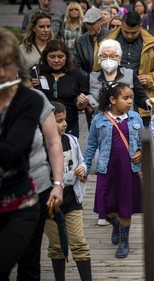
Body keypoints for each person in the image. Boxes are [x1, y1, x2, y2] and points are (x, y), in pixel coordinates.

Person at [0, 27, 43, 280]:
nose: (1, 73)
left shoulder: (29, 101)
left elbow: (11, 151)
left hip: (19, 204)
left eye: (6, 65)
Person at [84, 83, 144, 259]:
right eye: (125, 98)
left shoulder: (135, 118)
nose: (130, 101)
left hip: (128, 169)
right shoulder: (99, 120)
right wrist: (85, 168)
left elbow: (142, 143)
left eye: (131, 97)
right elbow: (91, 146)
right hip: (107, 169)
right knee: (107, 207)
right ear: (112, 99)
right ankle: (116, 225)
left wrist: (141, 152)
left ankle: (124, 242)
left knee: (125, 205)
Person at [16, 87, 65, 281]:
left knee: (28, 259)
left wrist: (58, 183)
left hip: (34, 188)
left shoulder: (34, 99)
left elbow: (53, 142)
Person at [44, 101, 92, 281]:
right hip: (50, 203)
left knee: (79, 242)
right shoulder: (41, 147)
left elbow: (81, 161)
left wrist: (82, 169)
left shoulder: (71, 140)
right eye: (59, 120)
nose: (64, 124)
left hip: (72, 198)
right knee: (56, 246)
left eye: (65, 120)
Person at [110, 11, 154, 130]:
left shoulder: (151, 43)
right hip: (114, 98)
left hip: (142, 99)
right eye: (126, 32)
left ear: (140, 27)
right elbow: (97, 67)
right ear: (121, 26)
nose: (129, 35)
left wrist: (150, 78)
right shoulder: (110, 41)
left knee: (142, 141)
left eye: (134, 33)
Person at [36, 39, 89, 138]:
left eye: (60, 57)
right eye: (52, 57)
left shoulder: (76, 75)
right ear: (45, 57)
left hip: (68, 126)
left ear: (66, 57)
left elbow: (80, 101)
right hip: (42, 125)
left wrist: (80, 104)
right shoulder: (37, 73)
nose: (56, 60)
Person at [73, 8, 111, 130]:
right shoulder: (81, 41)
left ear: (101, 21)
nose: (89, 26)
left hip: (109, 84)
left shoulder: (110, 36)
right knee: (93, 124)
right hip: (89, 85)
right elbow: (76, 64)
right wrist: (90, 78)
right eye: (87, 24)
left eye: (92, 23)